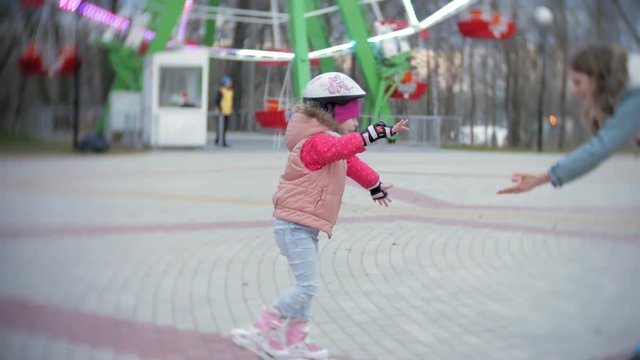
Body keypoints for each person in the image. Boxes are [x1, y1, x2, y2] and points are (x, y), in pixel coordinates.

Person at [230, 72, 409, 359]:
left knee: (307, 287)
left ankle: (294, 340)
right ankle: (261, 331)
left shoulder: (327, 142)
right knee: (307, 286)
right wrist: (373, 133)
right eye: (351, 116)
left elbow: (351, 162)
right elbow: (342, 148)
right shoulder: (317, 143)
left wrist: (374, 185)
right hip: (293, 226)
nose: (355, 122)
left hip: (303, 226)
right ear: (330, 111)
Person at [498, 44, 640, 194]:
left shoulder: (636, 92)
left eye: (578, 82)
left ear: (598, 77)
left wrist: (544, 178)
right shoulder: (630, 85)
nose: (576, 91)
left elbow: (601, 147)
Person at [214, 76, 233, 147]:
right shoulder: (221, 91)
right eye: (228, 83)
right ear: (224, 84)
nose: (230, 84)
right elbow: (217, 101)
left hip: (227, 112)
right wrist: (220, 109)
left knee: (224, 128)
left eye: (230, 83)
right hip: (221, 112)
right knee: (221, 127)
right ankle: (221, 141)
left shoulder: (230, 91)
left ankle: (218, 140)